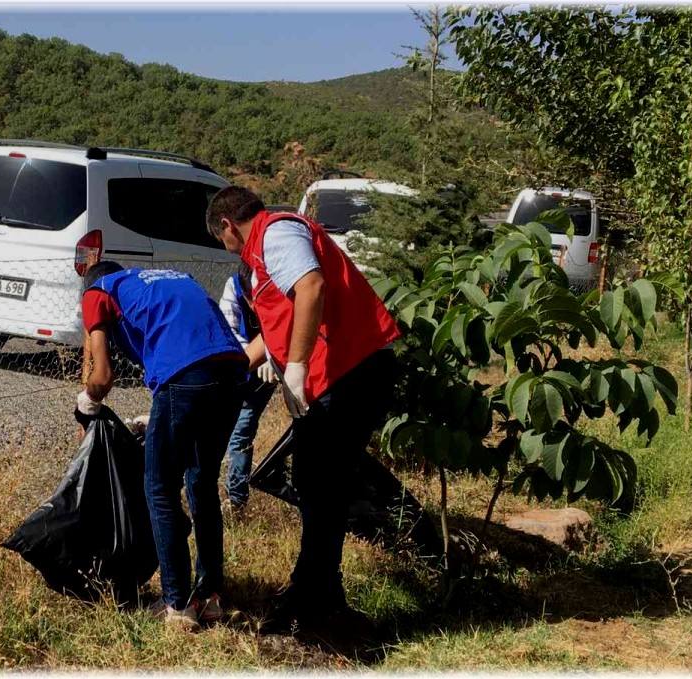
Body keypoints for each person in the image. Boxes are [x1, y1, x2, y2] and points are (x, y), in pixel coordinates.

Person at [205, 185, 432, 633]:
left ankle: (314, 598)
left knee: (320, 481)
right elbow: (277, 327)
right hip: (344, 372)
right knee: (316, 482)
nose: (226, 247)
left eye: (221, 239)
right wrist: (227, 372)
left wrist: (296, 367)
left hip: (353, 369)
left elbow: (312, 287)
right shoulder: (263, 257)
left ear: (227, 225)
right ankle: (319, 592)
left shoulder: (275, 234)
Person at [77, 260, 246, 630]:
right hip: (234, 373)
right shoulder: (165, 279)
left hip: (187, 376)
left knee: (160, 488)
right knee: (202, 482)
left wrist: (86, 404)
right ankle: (210, 598)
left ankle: (177, 604)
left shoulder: (98, 291)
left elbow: (102, 376)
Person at [218, 262, 279, 513]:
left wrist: (273, 357)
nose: (256, 306)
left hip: (275, 367)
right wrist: (258, 355)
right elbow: (228, 330)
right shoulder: (234, 286)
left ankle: (236, 500)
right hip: (240, 365)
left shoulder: (279, 286)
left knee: (242, 430)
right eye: (252, 299)